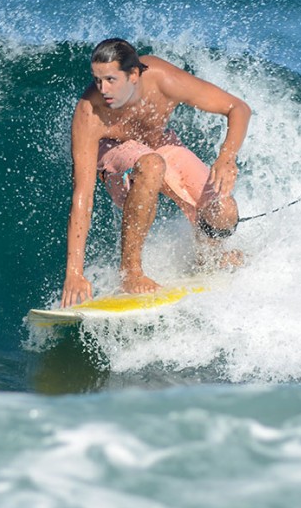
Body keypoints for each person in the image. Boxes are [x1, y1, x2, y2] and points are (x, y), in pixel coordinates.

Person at [61, 38, 251, 308]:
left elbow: (237, 108)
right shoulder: (90, 111)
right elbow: (82, 196)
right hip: (116, 155)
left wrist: (227, 157)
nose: (102, 89)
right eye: (97, 79)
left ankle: (207, 257)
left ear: (134, 74)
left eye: (111, 79)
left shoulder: (163, 80)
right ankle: (131, 273)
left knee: (224, 211)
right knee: (151, 164)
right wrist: (74, 274)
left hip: (160, 144)